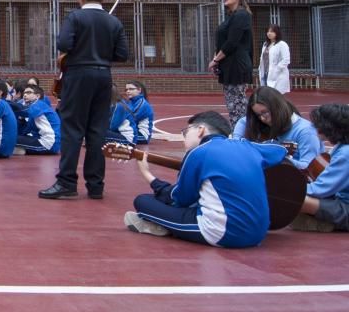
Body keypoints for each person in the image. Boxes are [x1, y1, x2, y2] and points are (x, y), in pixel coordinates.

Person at [124, 111, 288, 248]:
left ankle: (164, 226)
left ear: (201, 130)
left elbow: (179, 199)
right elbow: (279, 150)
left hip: (226, 234)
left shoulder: (198, 153)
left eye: (185, 131)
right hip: (259, 233)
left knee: (143, 201)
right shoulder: (246, 146)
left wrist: (148, 175)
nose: (184, 137)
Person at [40, 0, 128, 200]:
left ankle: (67, 182)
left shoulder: (75, 16)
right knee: (97, 130)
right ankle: (95, 185)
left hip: (79, 74)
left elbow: (63, 45)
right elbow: (122, 54)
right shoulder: (113, 22)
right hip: (103, 76)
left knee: (72, 129)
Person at [290, 103, 349, 232]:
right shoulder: (341, 148)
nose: (314, 128)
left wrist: (287, 189)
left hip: (345, 207)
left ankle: (327, 223)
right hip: (340, 200)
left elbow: (320, 189)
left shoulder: (345, 153)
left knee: (292, 199)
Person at [232, 86, 321, 171]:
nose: (262, 119)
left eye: (265, 112)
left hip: (296, 181)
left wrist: (277, 158)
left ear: (277, 107)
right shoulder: (252, 123)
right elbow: (236, 145)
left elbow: (309, 167)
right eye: (258, 115)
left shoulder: (305, 131)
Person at [209, 0, 254, 125]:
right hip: (229, 65)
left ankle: (242, 132)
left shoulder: (241, 15)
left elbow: (232, 42)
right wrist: (217, 57)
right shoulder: (231, 16)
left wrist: (216, 60)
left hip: (237, 65)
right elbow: (224, 41)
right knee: (232, 102)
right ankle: (241, 130)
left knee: (237, 103)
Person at [14, 84, 61, 155]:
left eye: (29, 92)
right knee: (14, 137)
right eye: (24, 93)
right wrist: (21, 120)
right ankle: (22, 150)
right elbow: (25, 130)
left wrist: (7, 104)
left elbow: (23, 110)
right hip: (41, 140)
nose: (25, 95)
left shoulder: (39, 105)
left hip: (49, 143)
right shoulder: (34, 108)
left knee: (11, 139)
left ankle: (20, 150)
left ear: (37, 96)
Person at [259, 24, 291, 94]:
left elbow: (286, 60)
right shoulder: (265, 44)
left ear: (277, 32)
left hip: (278, 75)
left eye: (272, 31)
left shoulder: (282, 44)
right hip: (265, 74)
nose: (269, 33)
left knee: (276, 96)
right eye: (268, 31)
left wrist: (276, 69)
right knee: (266, 96)